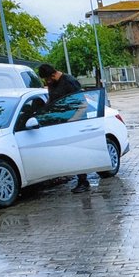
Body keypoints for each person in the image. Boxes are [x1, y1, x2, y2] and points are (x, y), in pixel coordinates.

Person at [37, 63, 89, 193]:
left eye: (47, 79)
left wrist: (73, 120)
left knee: (76, 152)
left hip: (73, 121)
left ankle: (83, 181)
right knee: (67, 152)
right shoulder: (51, 83)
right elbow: (52, 100)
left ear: (53, 74)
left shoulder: (69, 82)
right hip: (59, 122)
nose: (47, 82)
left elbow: (82, 104)